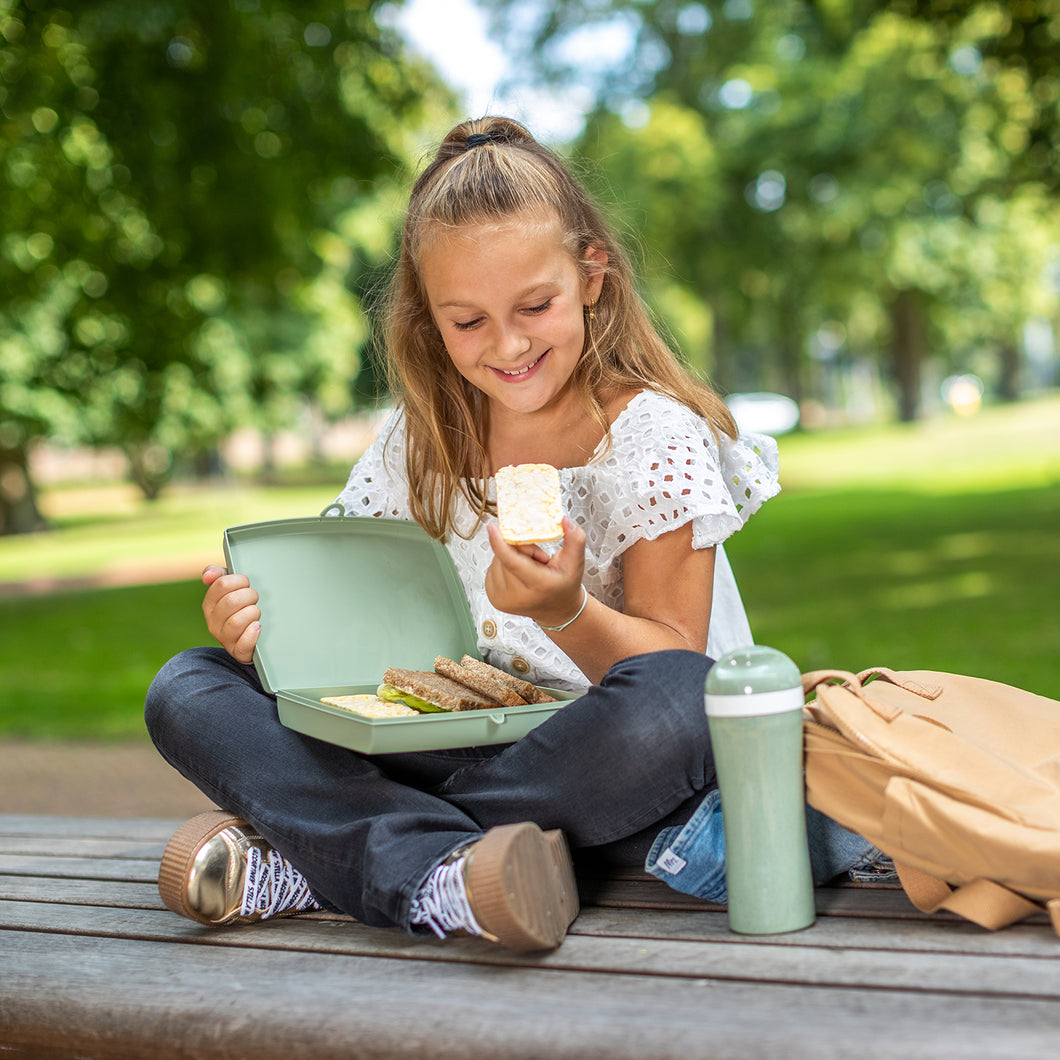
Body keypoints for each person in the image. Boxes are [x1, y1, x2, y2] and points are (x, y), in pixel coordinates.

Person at [146, 116, 878, 953]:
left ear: (592, 274)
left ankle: (328, 859)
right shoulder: (415, 444)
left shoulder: (650, 436)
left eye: (536, 305)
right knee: (188, 686)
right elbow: (342, 638)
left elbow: (672, 664)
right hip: (434, 748)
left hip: (593, 754)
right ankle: (447, 868)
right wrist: (255, 634)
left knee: (680, 702)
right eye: (468, 322)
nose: (509, 345)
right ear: (428, 317)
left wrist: (566, 609)